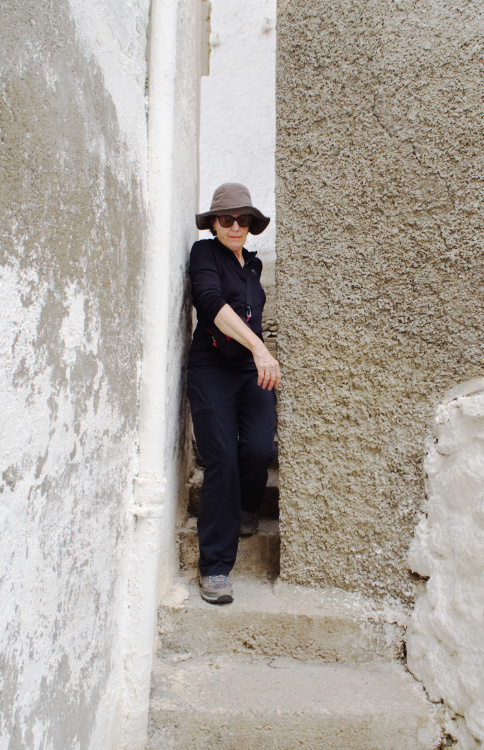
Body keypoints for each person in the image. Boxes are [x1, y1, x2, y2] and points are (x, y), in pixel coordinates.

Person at [188, 183, 281, 604]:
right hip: (212, 369)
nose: (235, 226)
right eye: (226, 219)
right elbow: (210, 302)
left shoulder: (253, 266)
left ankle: (245, 507)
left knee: (259, 447)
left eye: (243, 220)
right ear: (214, 223)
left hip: (248, 369)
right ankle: (215, 566)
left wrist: (255, 354)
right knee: (222, 459)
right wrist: (261, 349)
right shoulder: (204, 254)